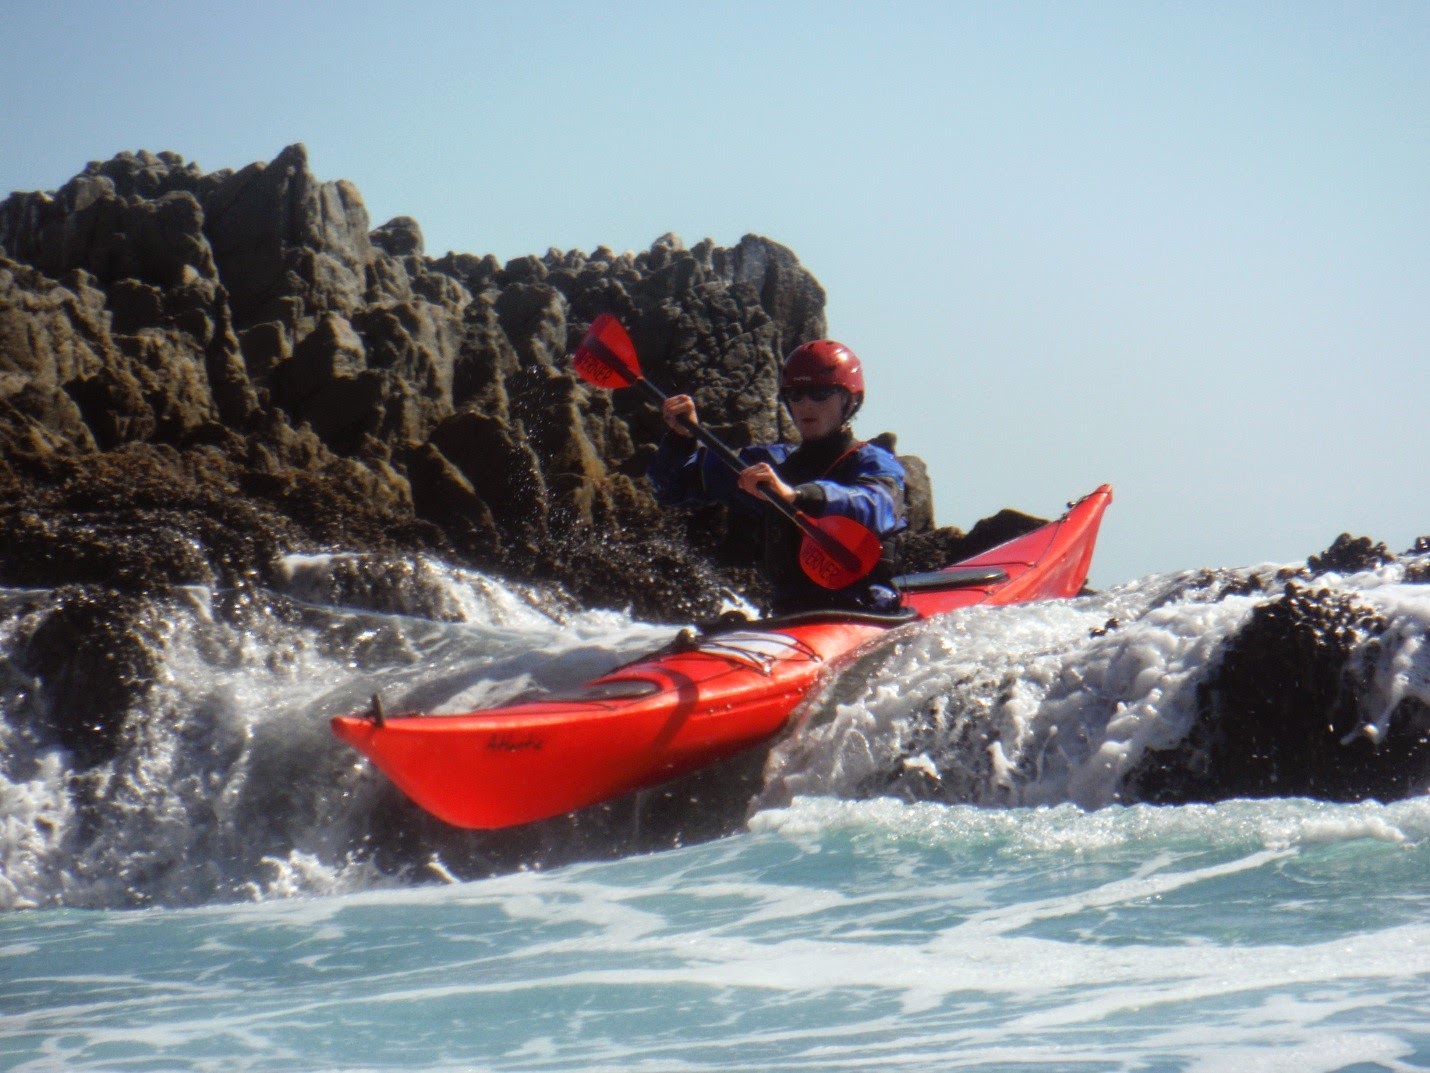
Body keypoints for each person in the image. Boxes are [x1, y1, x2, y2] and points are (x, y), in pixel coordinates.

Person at [647, 339, 907, 616]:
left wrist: (800, 496)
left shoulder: (874, 462)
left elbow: (877, 505)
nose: (806, 405)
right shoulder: (769, 465)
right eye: (796, 395)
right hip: (788, 615)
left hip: (866, 610)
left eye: (820, 394)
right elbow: (671, 489)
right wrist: (681, 439)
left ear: (850, 401)